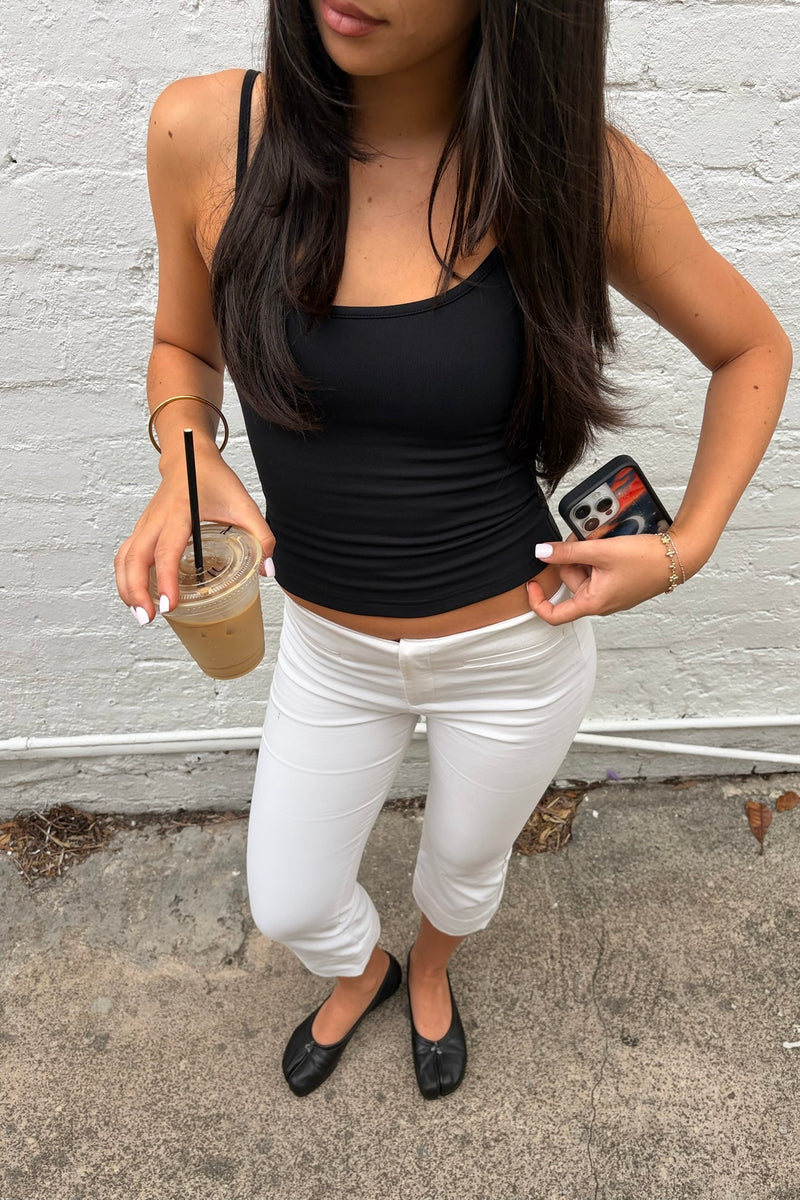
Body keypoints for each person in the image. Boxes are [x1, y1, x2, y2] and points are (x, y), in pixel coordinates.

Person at [114, 0, 791, 1100]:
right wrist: (184, 458)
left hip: (511, 650)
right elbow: (181, 344)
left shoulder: (572, 174)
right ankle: (362, 967)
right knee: (288, 897)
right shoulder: (203, 131)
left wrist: (684, 548)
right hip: (327, 648)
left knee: (465, 871)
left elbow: (750, 346)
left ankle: (428, 972)